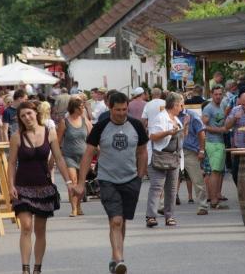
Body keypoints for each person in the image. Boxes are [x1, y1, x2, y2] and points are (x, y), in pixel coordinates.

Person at [73, 92, 148, 274]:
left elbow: (142, 151)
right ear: (110, 108)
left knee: (121, 222)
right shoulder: (101, 127)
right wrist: (81, 183)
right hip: (107, 180)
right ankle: (120, 259)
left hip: (130, 179)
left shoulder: (136, 126)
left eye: (124, 109)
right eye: (117, 110)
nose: (121, 113)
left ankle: (116, 258)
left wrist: (139, 176)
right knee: (115, 220)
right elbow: (88, 155)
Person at [7, 101, 73, 274]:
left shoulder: (50, 133)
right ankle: (25, 269)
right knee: (26, 226)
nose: (27, 118)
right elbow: (12, 163)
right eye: (23, 116)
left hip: (43, 187)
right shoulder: (16, 137)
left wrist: (68, 183)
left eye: (29, 113)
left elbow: (58, 158)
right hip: (22, 187)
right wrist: (10, 185)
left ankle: (37, 267)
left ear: (35, 112)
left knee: (40, 229)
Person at [145, 92, 184, 229]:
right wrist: (168, 132)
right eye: (180, 105)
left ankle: (169, 216)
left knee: (172, 189)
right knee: (157, 187)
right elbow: (153, 136)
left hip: (174, 157)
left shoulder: (176, 119)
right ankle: (151, 216)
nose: (182, 107)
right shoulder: (161, 118)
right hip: (159, 157)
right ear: (174, 105)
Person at [56, 97, 91, 217]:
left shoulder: (84, 120)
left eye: (83, 107)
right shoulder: (64, 122)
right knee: (73, 181)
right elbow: (58, 140)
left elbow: (92, 136)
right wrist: (56, 155)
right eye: (80, 107)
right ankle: (74, 208)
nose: (83, 109)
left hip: (83, 156)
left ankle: (79, 205)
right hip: (69, 156)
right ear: (74, 108)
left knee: (81, 183)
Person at [179, 105, 210, 215]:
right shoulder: (169, 116)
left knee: (197, 180)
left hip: (189, 151)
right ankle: (163, 206)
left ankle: (203, 205)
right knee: (167, 180)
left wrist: (202, 150)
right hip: (174, 151)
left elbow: (201, 133)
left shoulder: (192, 115)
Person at [202, 85, 229, 209]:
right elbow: (203, 126)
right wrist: (220, 130)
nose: (218, 96)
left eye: (220, 94)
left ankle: (215, 197)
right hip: (212, 143)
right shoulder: (208, 108)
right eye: (216, 94)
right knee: (214, 171)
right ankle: (213, 200)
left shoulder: (221, 106)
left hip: (220, 141)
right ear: (212, 95)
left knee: (218, 172)